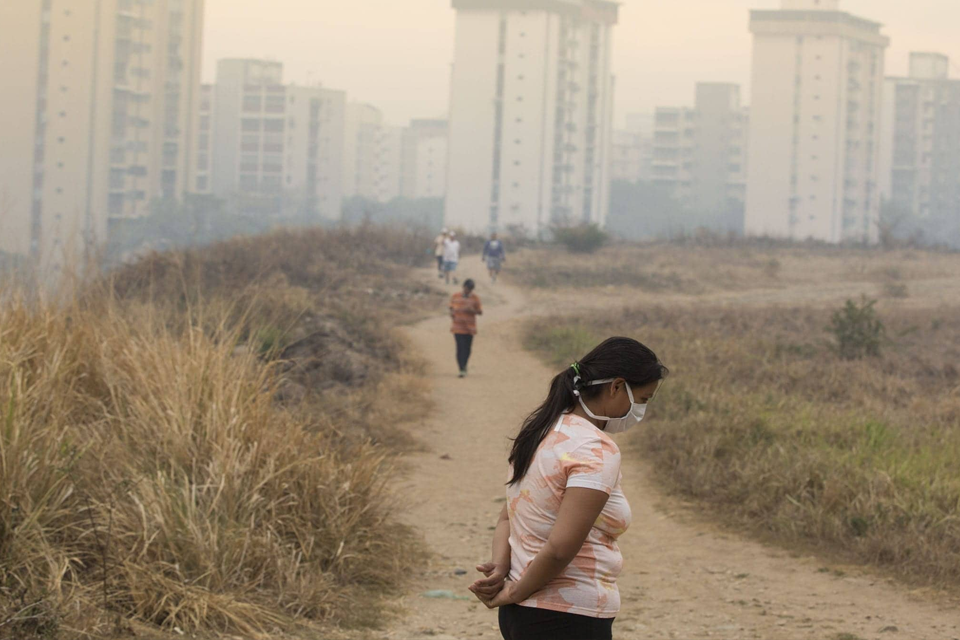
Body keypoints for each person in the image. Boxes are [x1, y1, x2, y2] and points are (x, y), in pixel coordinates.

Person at [469, 338, 668, 640]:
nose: (640, 410)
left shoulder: (539, 432)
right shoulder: (594, 448)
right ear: (616, 386)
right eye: (642, 399)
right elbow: (561, 548)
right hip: (567, 617)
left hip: (520, 618)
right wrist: (513, 592)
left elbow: (508, 517)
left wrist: (501, 571)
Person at [449, 279, 482, 378]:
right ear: (463, 287)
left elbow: (480, 312)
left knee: (467, 349)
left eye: (470, 289)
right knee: (460, 348)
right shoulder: (455, 296)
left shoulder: (475, 298)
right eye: (467, 288)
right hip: (458, 327)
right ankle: (461, 368)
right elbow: (451, 308)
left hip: (470, 328)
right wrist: (452, 314)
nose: (468, 291)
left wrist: (473, 310)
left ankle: (465, 365)